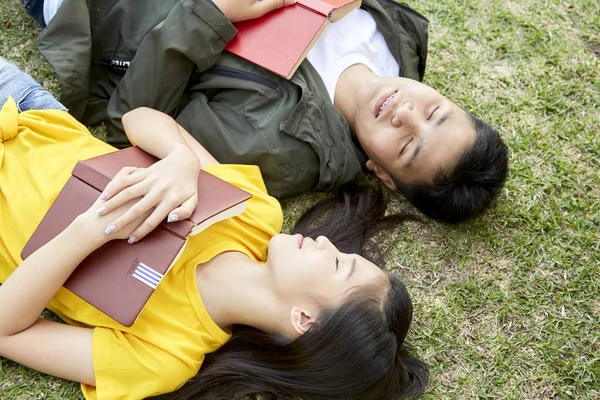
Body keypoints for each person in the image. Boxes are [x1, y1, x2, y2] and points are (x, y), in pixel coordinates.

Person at [0, 57, 428, 399]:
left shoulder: (166, 356)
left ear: (304, 320)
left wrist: (89, 232)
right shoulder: (255, 214)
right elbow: (139, 119)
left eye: (337, 264)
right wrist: (180, 160)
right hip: (22, 110)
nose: (324, 242)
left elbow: (6, 330)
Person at [21, 0, 509, 223]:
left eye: (407, 146)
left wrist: (211, 13)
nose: (407, 112)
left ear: (381, 173)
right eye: (438, 112)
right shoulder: (401, 38)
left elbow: (134, 110)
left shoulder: (282, 147)